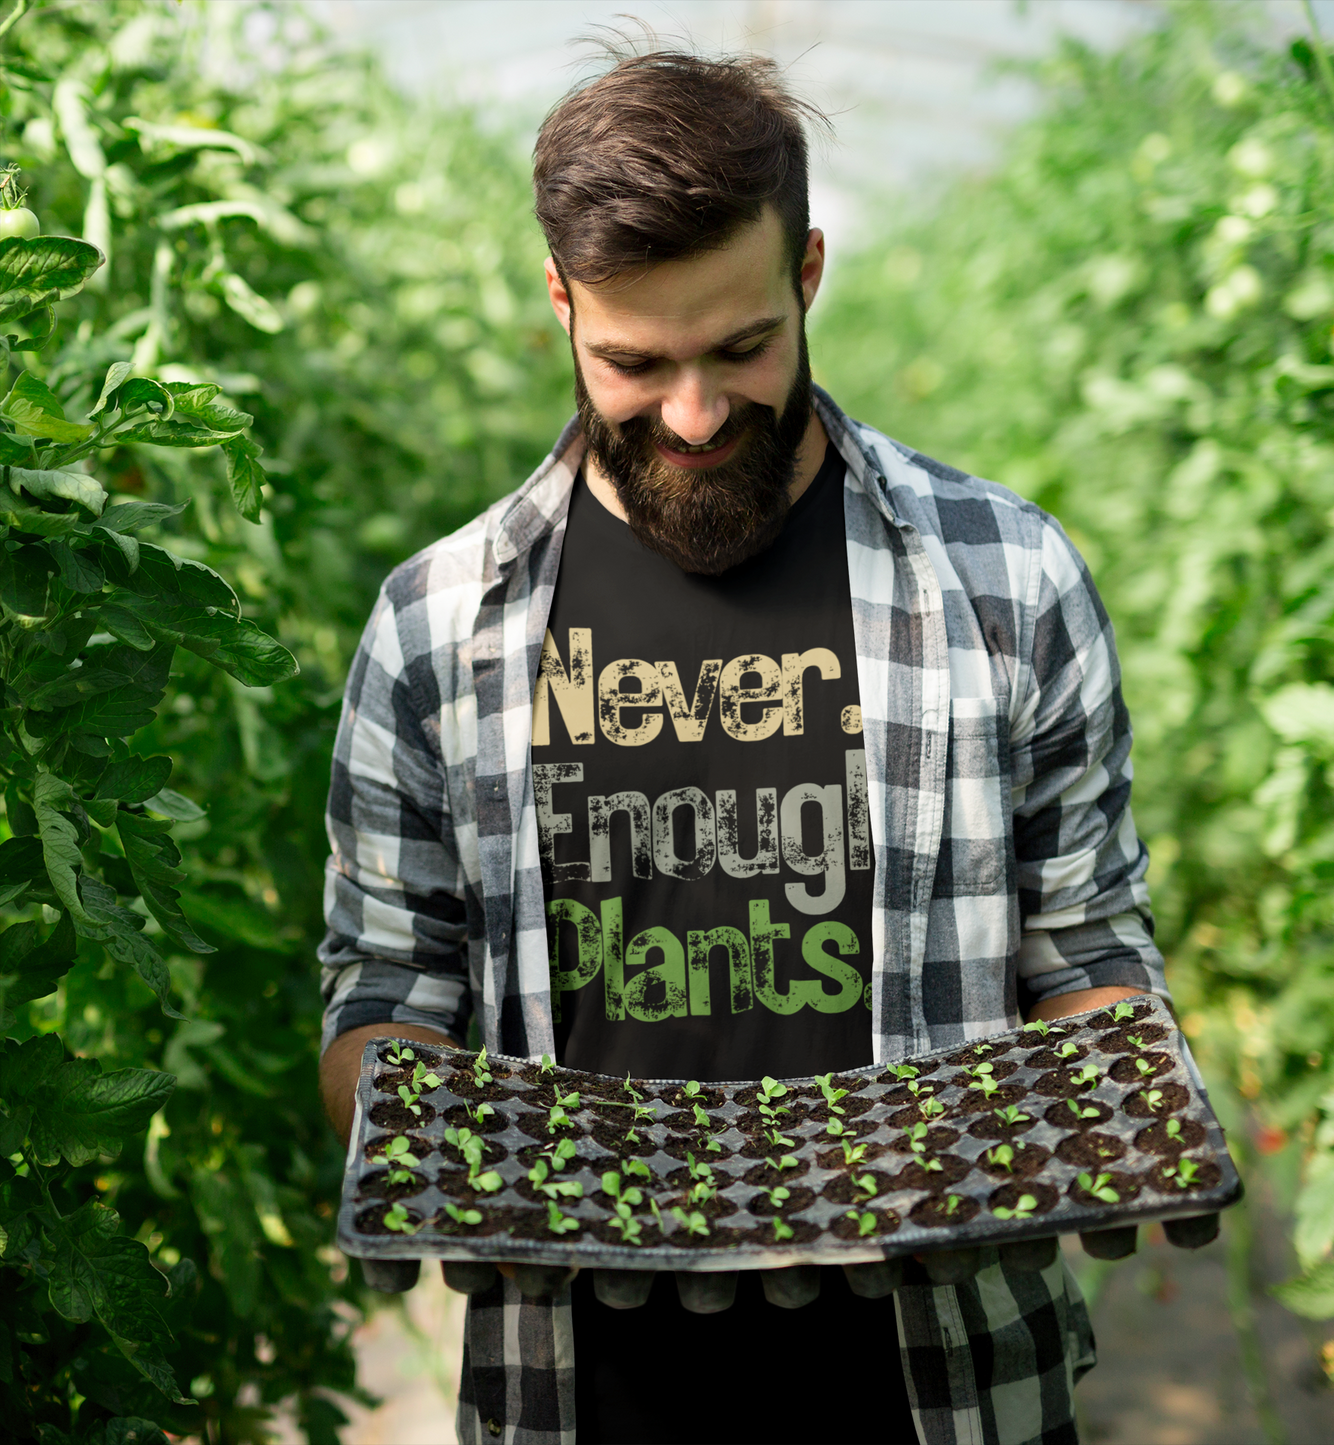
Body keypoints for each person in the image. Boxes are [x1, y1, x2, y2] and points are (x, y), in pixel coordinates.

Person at [318, 43, 1168, 1445]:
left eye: (742, 348)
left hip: (938, 1370)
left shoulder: (1005, 580)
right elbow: (384, 993)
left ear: (809, 273)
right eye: (634, 363)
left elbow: (1085, 951)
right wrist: (420, 1137)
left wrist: (1126, 1107)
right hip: (587, 1382)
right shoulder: (437, 629)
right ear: (559, 301)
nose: (695, 414)